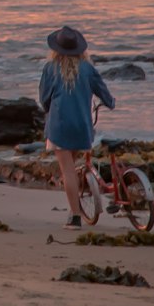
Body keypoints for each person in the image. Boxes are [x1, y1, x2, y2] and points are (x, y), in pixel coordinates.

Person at [37, 25, 114, 229]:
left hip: (59, 127)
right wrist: (110, 102)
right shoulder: (87, 68)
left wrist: (48, 108)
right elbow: (104, 92)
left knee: (68, 172)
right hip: (82, 127)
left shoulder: (51, 68)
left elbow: (44, 98)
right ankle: (77, 207)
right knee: (72, 166)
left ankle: (75, 217)